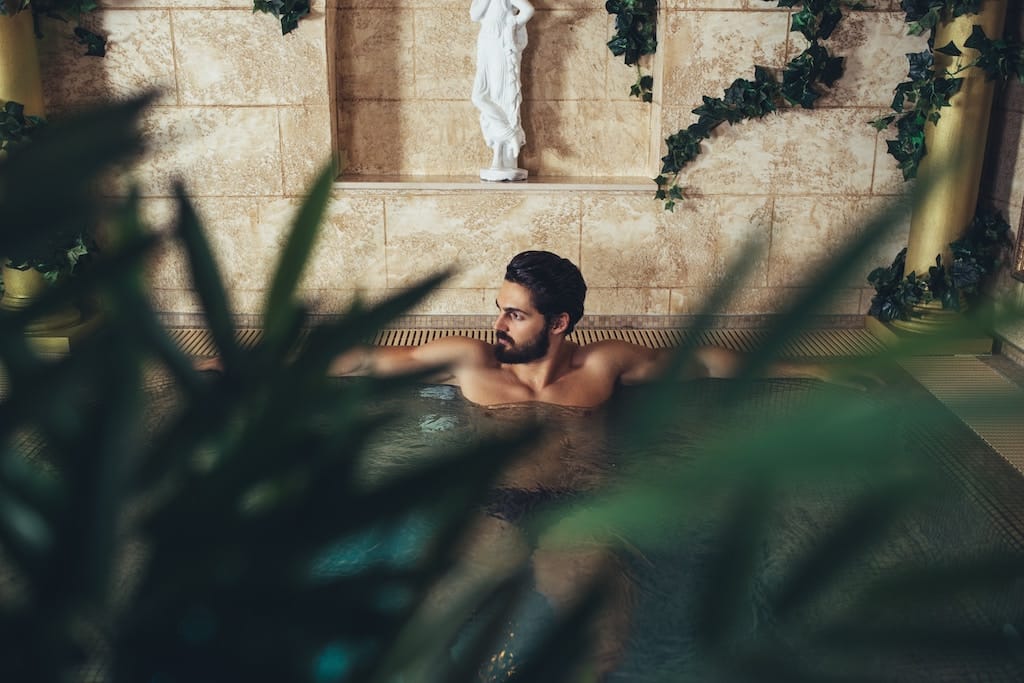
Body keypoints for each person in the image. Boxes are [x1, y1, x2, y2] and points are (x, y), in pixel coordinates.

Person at [326, 250, 855, 408]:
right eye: (500, 309)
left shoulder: (604, 364)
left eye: (515, 315)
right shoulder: (470, 360)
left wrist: (815, 370)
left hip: (578, 505)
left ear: (557, 323)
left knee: (599, 633)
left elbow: (707, 362)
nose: (497, 325)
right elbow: (366, 361)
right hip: (492, 503)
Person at [470, 0, 534, 180]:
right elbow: (474, 15)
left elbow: (528, 10)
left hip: (501, 44)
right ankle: (510, 134)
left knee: (501, 98)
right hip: (485, 43)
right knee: (479, 96)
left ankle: (500, 155)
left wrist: (511, 25)